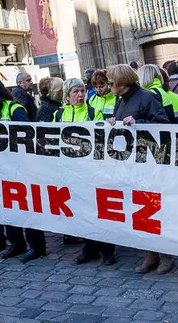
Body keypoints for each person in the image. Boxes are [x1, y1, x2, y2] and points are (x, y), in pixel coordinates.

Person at [107, 64, 173, 274]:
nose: (109, 87)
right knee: (139, 210)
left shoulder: (147, 97)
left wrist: (139, 122)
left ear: (123, 84)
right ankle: (149, 255)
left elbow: (163, 124)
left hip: (149, 163)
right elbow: (123, 124)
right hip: (132, 163)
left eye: (111, 83)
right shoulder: (121, 100)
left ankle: (166, 256)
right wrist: (114, 122)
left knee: (154, 209)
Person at [0, 78, 47, 262]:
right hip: (0, 170)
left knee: (27, 208)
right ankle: (17, 244)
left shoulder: (14, 109)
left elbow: (27, 137)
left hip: (20, 168)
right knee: (8, 209)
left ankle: (37, 246)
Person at [55, 78, 114, 265]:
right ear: (67, 95)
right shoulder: (58, 115)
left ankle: (107, 250)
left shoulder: (92, 111)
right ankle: (90, 247)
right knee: (80, 211)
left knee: (98, 210)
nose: (81, 95)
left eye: (82, 91)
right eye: (75, 92)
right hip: (71, 171)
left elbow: (100, 138)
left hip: (91, 170)